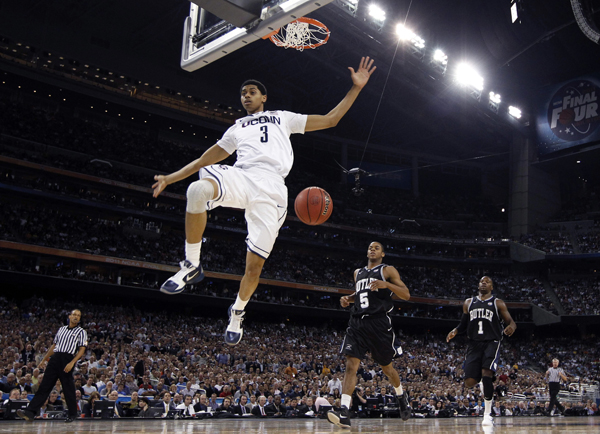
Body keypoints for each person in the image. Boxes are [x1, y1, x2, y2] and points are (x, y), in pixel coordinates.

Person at [152, 56, 376, 346]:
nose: (246, 96)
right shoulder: (235, 129)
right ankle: (191, 264)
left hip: (273, 190)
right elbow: (203, 159)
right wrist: (171, 177)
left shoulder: (282, 117)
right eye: (243, 93)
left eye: (252, 92)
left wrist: (356, 88)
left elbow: (331, 120)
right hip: (243, 176)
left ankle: (237, 312)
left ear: (264, 97)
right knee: (196, 190)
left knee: (254, 267)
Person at [327, 242, 411, 429]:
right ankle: (344, 412)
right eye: (370, 247)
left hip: (379, 324)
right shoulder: (358, 273)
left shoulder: (387, 270)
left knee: (387, 368)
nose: (372, 249)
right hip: (357, 323)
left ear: (382, 253)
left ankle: (400, 396)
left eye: (377, 247)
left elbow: (406, 294)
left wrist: (386, 284)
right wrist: (348, 299)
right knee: (351, 365)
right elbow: (361, 294)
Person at [446, 276, 516, 427]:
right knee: (469, 382)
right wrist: (456, 331)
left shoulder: (498, 303)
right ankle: (485, 382)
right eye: (481, 281)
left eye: (487, 281)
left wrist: (511, 327)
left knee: (487, 374)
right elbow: (464, 323)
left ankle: (487, 414)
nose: (483, 283)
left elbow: (511, 322)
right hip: (474, 344)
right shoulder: (468, 302)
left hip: (492, 342)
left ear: (492, 287)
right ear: (478, 285)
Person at [17, 309, 87, 423]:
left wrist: (72, 362)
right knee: (44, 386)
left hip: (67, 358)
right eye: (74, 314)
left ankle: (73, 413)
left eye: (78, 315)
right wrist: (44, 359)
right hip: (55, 358)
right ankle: (30, 412)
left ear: (79, 319)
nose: (76, 317)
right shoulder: (61, 329)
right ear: (69, 316)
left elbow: (82, 349)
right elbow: (54, 346)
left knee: (67, 387)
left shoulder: (81, 331)